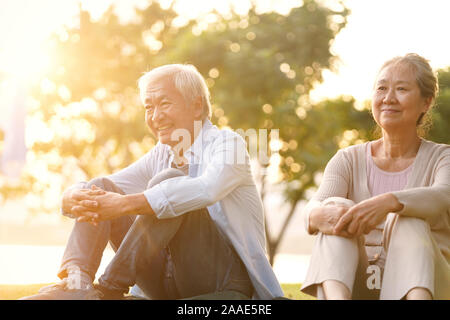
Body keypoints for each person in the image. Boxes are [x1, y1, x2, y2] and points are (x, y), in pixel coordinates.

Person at [21, 64, 284, 300]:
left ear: (196, 106)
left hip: (221, 281)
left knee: (169, 183)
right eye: (149, 107)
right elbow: (105, 186)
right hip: (165, 283)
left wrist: (126, 204)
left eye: (164, 104)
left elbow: (206, 189)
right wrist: (70, 196)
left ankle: (109, 288)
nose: (155, 116)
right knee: (100, 186)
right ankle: (76, 285)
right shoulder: (161, 153)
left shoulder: (229, 145)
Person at [300, 53, 449, 300]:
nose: (388, 98)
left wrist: (389, 202)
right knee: (336, 207)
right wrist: (319, 214)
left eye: (401, 89)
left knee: (409, 219)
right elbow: (315, 205)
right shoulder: (347, 159)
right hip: (360, 285)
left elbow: (443, 194)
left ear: (426, 102)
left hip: (429, 285)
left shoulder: (443, 158)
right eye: (381, 88)